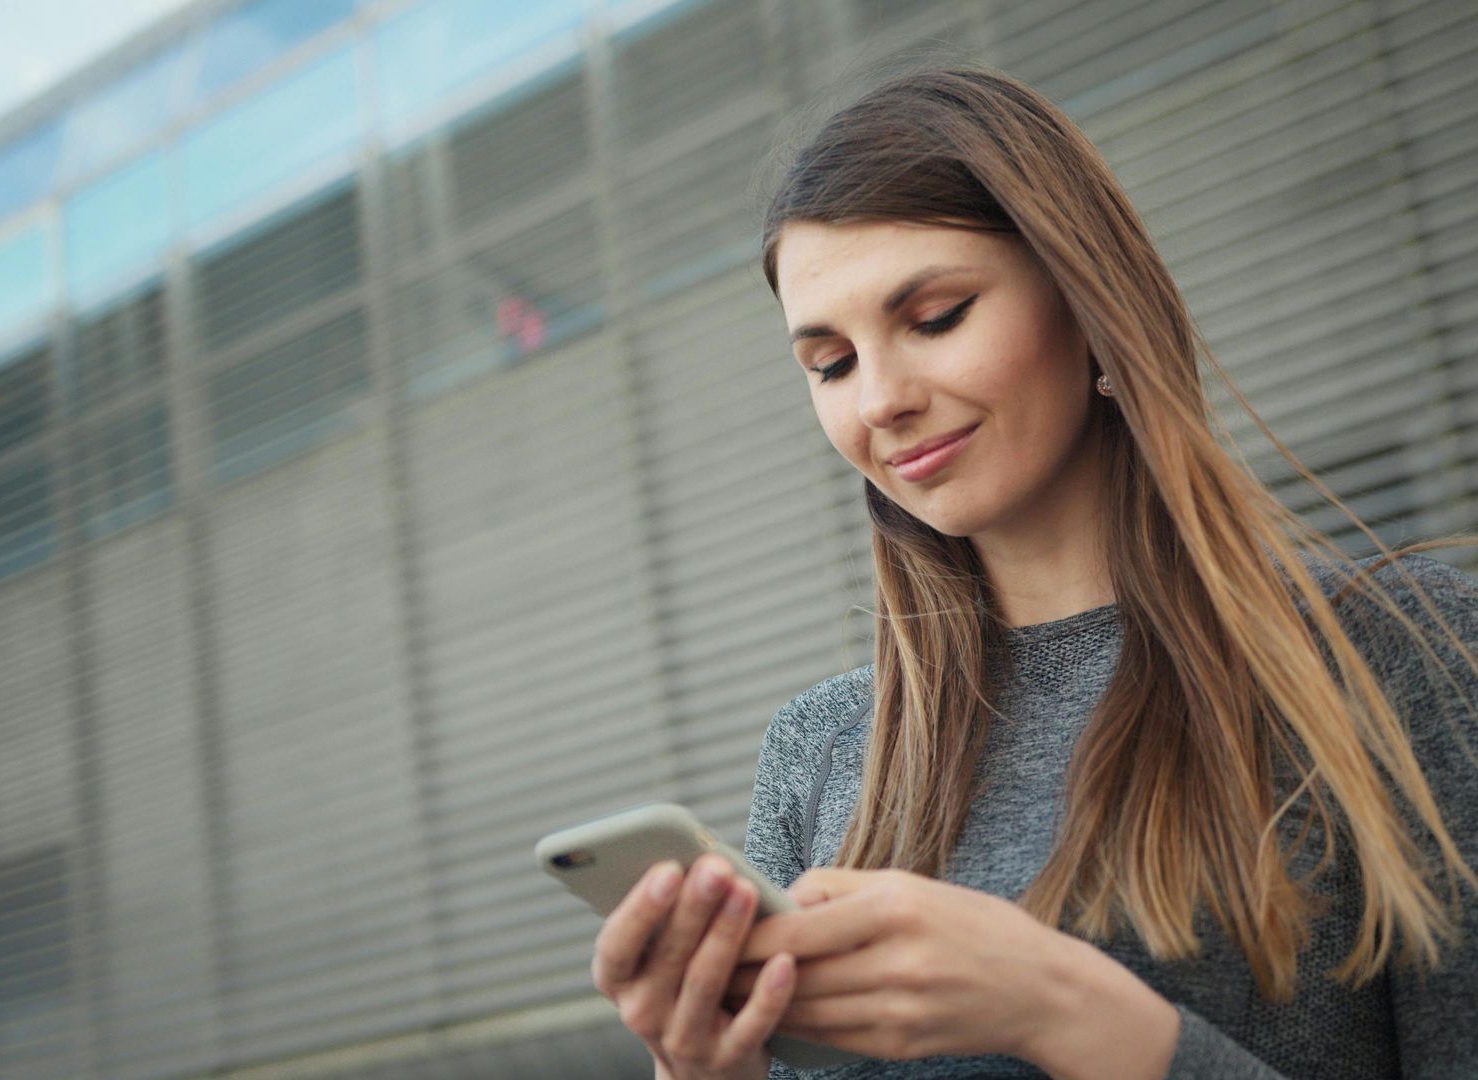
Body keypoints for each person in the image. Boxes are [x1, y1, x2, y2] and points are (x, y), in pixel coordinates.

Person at [587, 62, 1478, 1079]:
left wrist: (1062, 1007)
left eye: (934, 318)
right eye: (830, 364)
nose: (878, 400)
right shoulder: (822, 753)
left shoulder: (1409, 652)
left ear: (1092, 307)